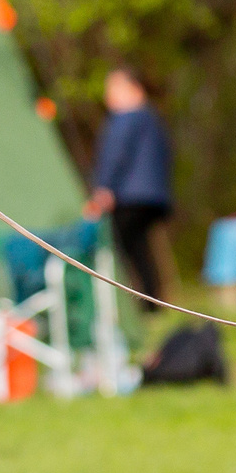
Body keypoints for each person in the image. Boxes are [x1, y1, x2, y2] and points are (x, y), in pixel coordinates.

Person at [85, 67, 174, 309]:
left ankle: (128, 307)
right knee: (138, 248)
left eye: (113, 89)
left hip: (130, 196)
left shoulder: (127, 117)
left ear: (134, 89)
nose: (108, 96)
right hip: (151, 197)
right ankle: (150, 304)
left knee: (116, 248)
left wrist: (103, 188)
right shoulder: (152, 119)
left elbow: (115, 154)